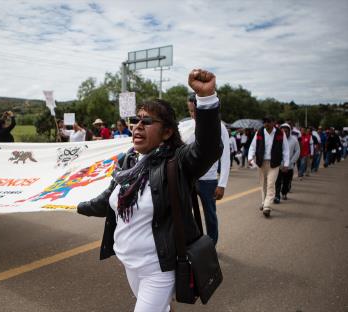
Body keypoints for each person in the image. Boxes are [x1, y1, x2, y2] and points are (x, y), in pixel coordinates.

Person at [77, 69, 222, 312]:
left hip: (158, 269)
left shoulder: (178, 162)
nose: (137, 126)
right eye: (136, 120)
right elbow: (107, 200)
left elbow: (208, 147)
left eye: (147, 121)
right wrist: (77, 205)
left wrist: (206, 99)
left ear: (167, 132)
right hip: (129, 264)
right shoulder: (128, 163)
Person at [182, 93, 230, 246]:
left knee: (210, 215)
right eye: (190, 111)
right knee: (186, 215)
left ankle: (211, 246)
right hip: (189, 179)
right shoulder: (187, 126)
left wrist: (222, 184)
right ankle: (194, 246)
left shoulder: (219, 127)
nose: (193, 115)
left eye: (195, 111)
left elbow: (226, 156)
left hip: (208, 181)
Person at [248, 116, 289, 217]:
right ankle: (264, 202)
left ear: (273, 122)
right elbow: (253, 146)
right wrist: (250, 157)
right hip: (261, 162)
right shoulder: (260, 132)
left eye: (268, 122)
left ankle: (267, 206)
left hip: (274, 163)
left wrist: (286, 163)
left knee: (271, 184)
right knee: (263, 184)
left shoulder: (280, 133)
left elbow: (285, 149)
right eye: (264, 122)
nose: (266, 124)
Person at [274, 123, 300, 202]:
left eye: (286, 131)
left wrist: (290, 162)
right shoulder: (277, 139)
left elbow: (297, 152)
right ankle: (277, 196)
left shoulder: (294, 140)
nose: (285, 132)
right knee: (277, 182)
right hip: (279, 165)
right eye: (283, 131)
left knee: (286, 182)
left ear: (289, 131)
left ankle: (284, 193)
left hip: (289, 166)